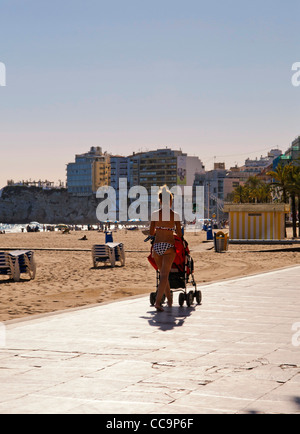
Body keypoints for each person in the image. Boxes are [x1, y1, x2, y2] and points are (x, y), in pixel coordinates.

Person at [150, 186, 182, 312]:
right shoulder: (175, 215)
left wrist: (160, 229)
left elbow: (152, 232)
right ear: (171, 201)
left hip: (157, 247)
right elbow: (180, 234)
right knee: (164, 275)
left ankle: (169, 300)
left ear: (160, 201)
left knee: (163, 275)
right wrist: (172, 230)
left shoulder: (154, 214)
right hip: (169, 246)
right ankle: (158, 302)